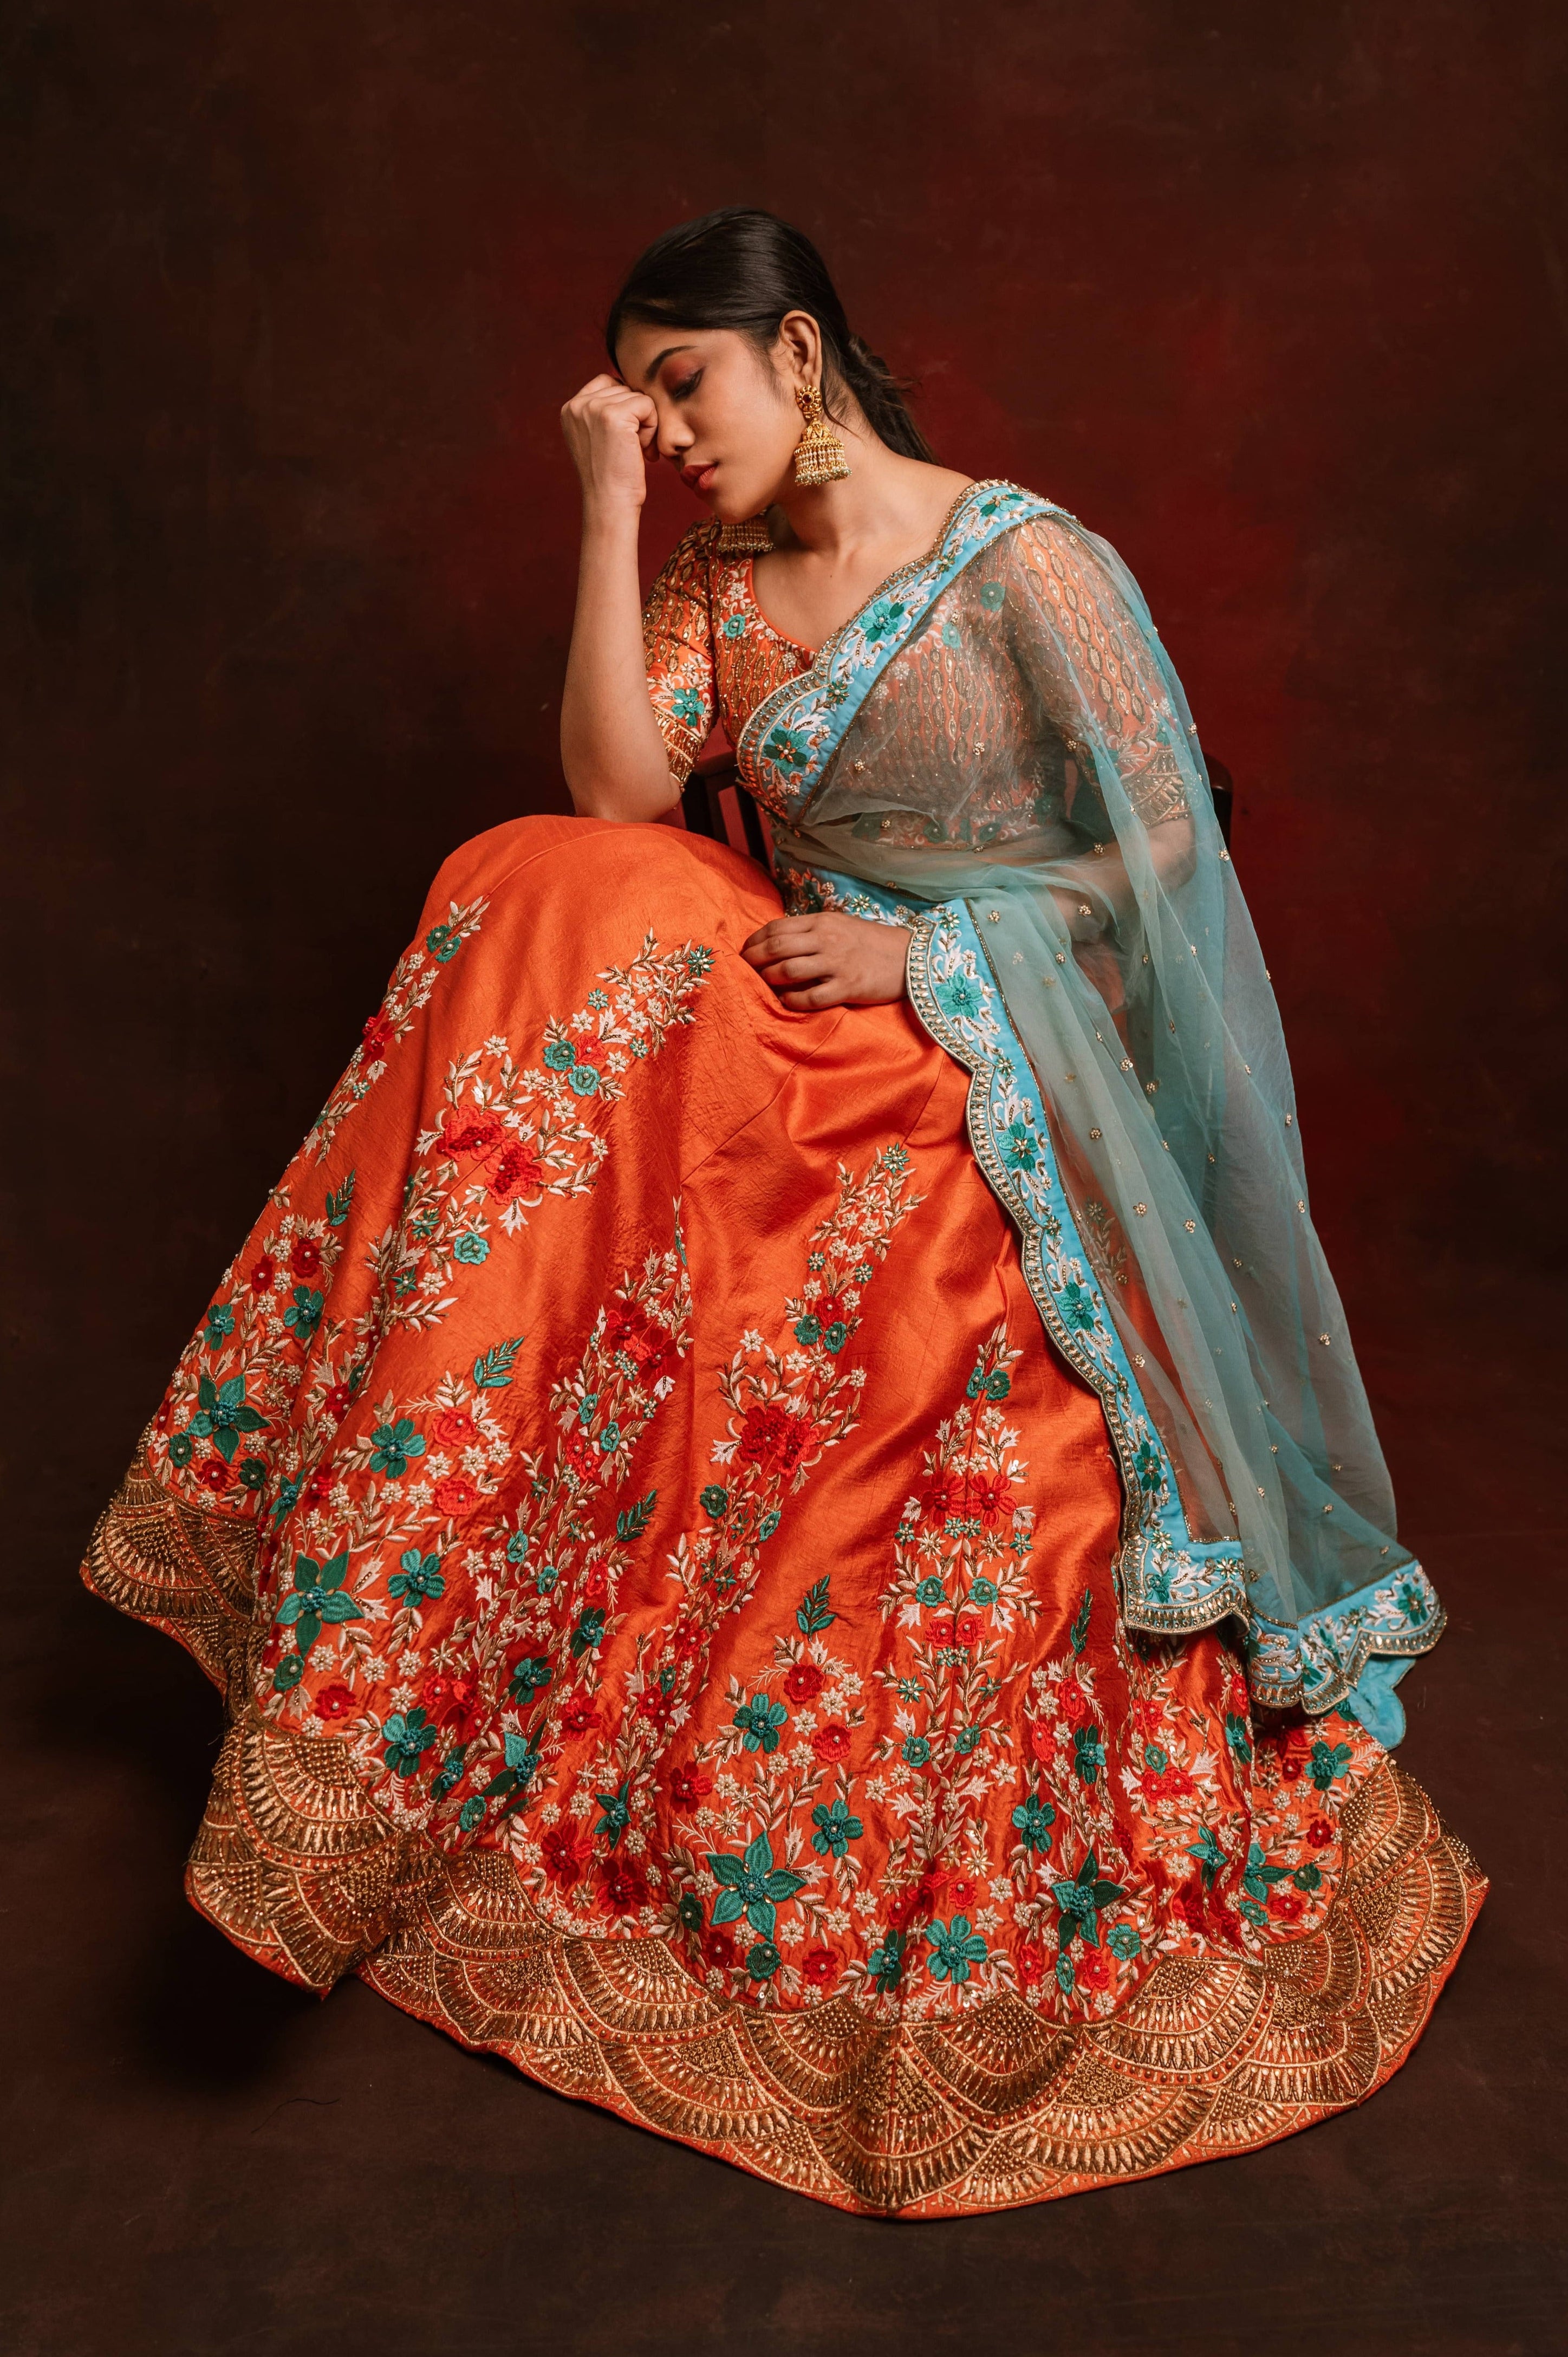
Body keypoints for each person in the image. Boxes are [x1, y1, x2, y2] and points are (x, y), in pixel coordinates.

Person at [83, 207, 1482, 2217]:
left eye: (686, 389)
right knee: (546, 884)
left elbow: (1174, 844)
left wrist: (946, 967)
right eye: (637, 403)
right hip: (797, 1035)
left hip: (1000, 1045)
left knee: (854, 1267)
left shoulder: (1023, 562)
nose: (666, 433)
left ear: (801, 358)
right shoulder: (721, 585)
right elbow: (621, 795)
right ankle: (421, 1592)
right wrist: (598, 520)